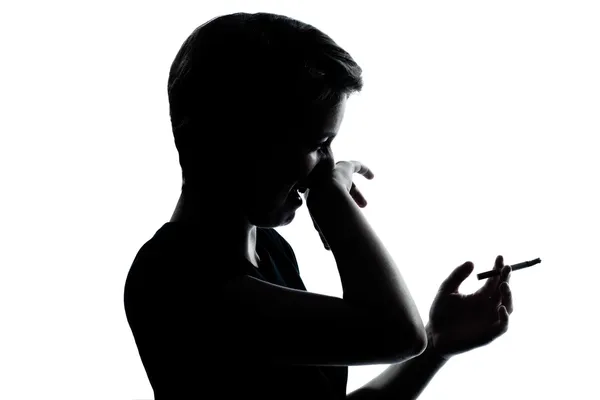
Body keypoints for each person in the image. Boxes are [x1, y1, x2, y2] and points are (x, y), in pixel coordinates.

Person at [123, 12, 513, 399]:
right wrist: (332, 202)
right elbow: (395, 333)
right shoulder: (175, 282)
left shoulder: (272, 251)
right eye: (318, 144)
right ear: (243, 143)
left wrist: (436, 345)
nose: (327, 164)